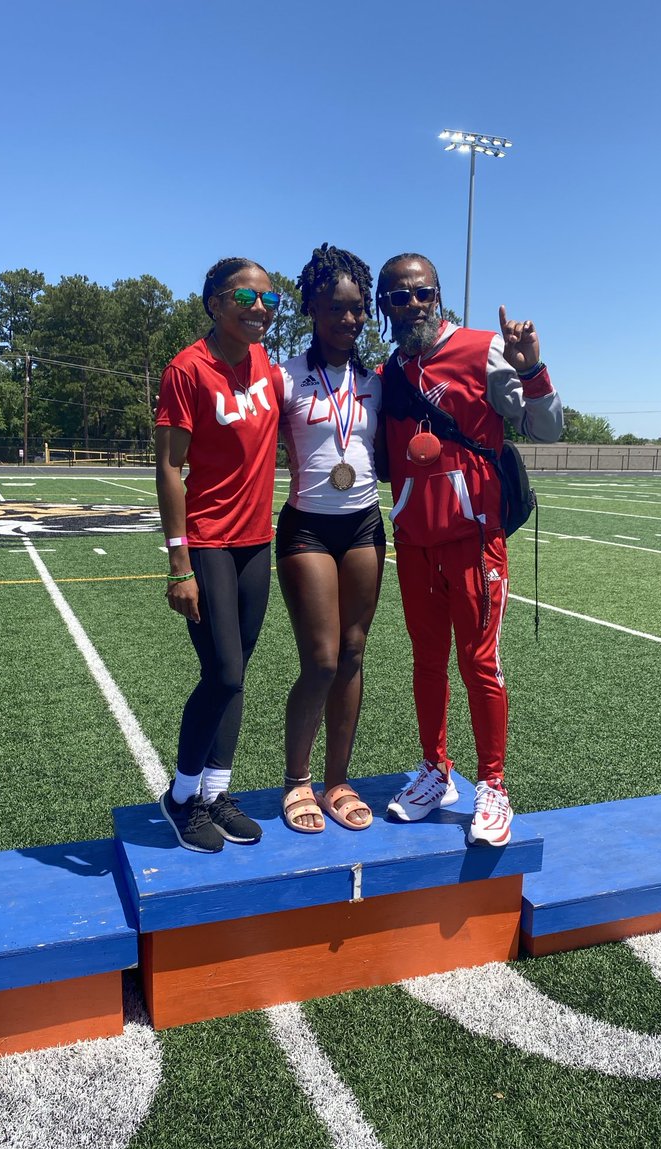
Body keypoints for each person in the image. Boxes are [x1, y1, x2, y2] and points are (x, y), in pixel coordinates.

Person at [376, 253, 563, 845]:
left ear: (437, 296)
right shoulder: (388, 372)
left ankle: (494, 786)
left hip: (474, 542)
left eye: (420, 294)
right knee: (426, 663)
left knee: (479, 664)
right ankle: (436, 770)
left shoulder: (482, 350)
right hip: (413, 542)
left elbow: (547, 429)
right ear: (384, 307)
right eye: (397, 298)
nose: (410, 306)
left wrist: (534, 371)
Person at [155, 257, 282, 853]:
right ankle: (181, 796)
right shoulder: (187, 368)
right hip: (207, 540)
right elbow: (169, 467)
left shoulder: (270, 369)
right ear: (213, 302)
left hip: (257, 540)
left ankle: (216, 792)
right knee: (224, 672)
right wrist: (178, 562)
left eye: (269, 299)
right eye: (245, 297)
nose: (259, 308)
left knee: (237, 678)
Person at [276, 245, 384, 834]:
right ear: (312, 307)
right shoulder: (285, 376)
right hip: (308, 526)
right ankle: (298, 780)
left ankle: (338, 780)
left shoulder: (376, 380)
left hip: (365, 523)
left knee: (352, 654)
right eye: (337, 308)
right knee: (319, 661)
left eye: (358, 309)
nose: (349, 319)